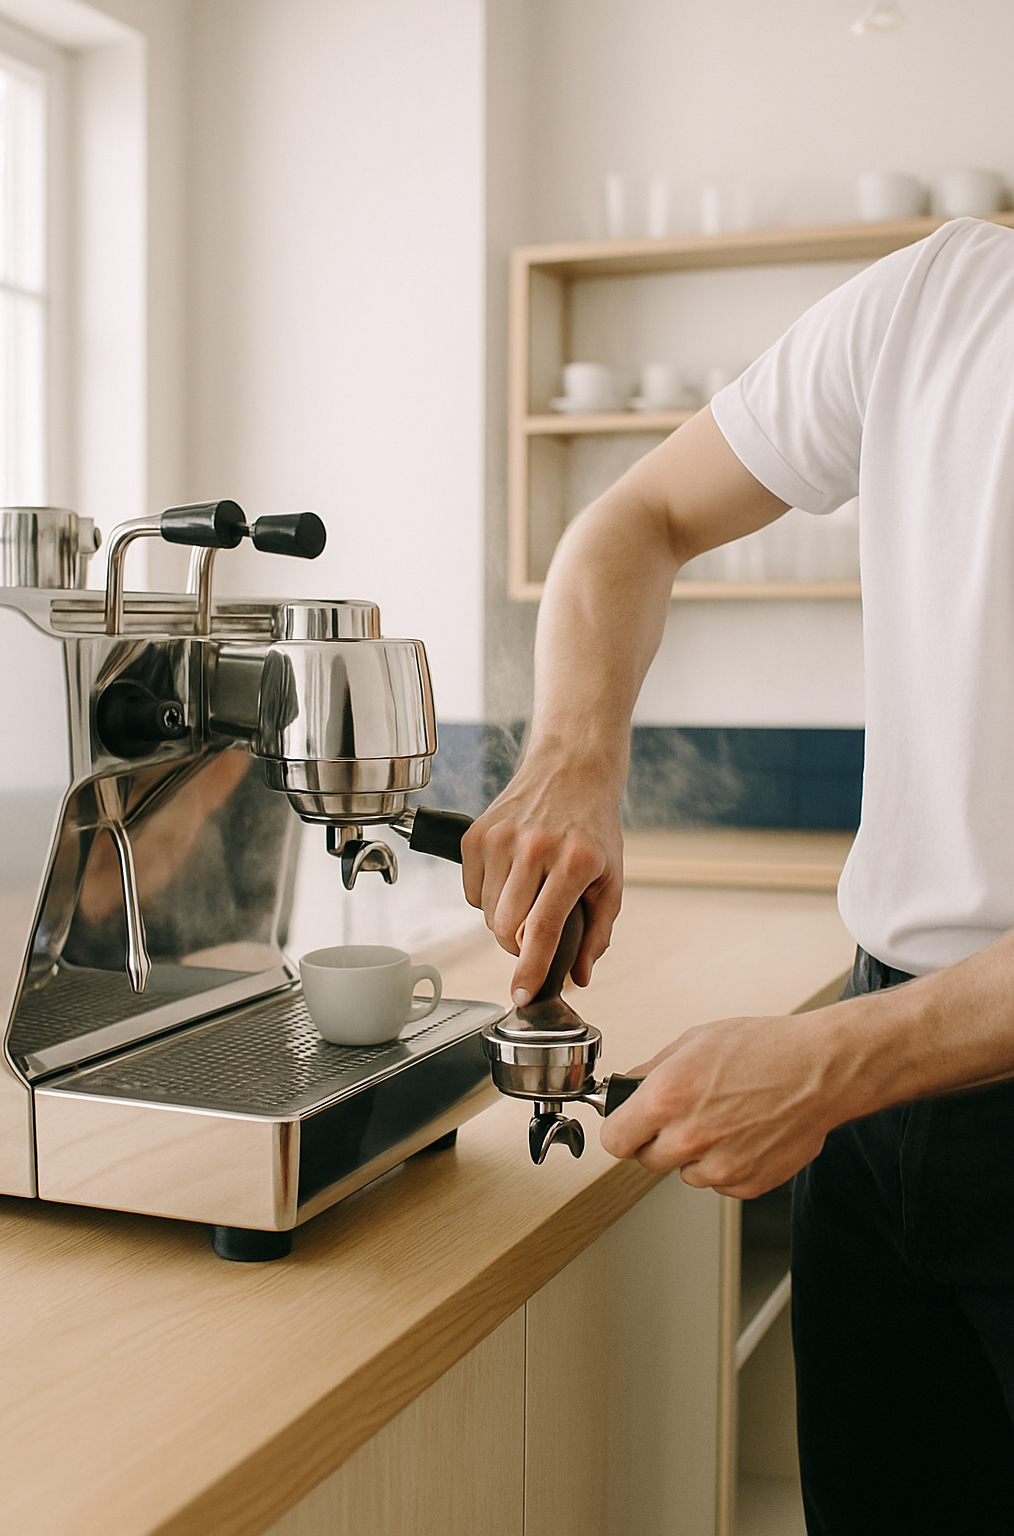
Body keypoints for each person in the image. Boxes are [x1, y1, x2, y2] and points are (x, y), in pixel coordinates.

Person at [460, 216, 1014, 1535]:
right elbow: (634, 518)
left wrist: (836, 1061)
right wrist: (574, 753)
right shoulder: (943, 291)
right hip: (885, 1125)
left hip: (883, 1061)